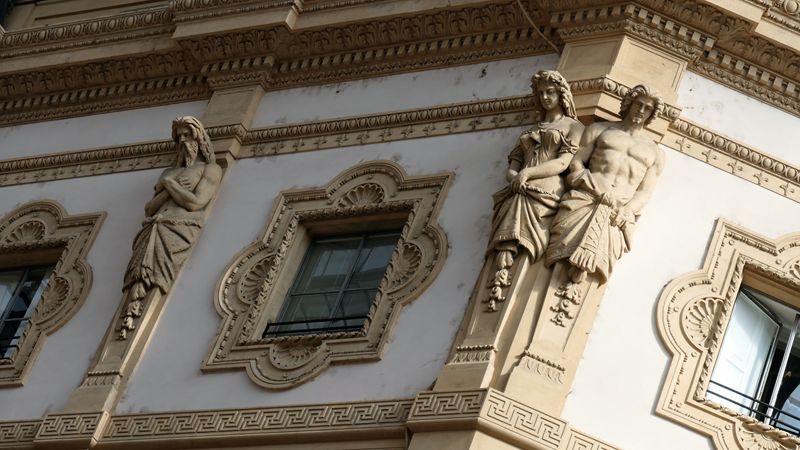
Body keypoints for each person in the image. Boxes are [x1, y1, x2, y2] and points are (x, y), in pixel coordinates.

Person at [545, 84, 664, 297]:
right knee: (560, 254)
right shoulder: (600, 130)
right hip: (585, 200)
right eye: (638, 104)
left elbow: (645, 191)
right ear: (629, 104)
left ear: (652, 114)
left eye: (648, 108)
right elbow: (577, 163)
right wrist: (591, 185)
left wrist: (627, 210)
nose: (641, 111)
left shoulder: (655, 152)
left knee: (594, 267)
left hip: (615, 215)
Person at [485, 70, 584, 310]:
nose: (545, 97)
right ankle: (498, 284)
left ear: (561, 95)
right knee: (506, 239)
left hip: (545, 190)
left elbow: (562, 163)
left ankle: (513, 296)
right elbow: (514, 164)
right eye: (541, 93)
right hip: (518, 189)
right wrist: (515, 178)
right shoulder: (530, 130)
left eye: (550, 92)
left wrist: (528, 174)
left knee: (531, 241)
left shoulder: (574, 127)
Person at [120, 116, 222, 338]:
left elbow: (195, 203)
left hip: (178, 230)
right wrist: (169, 185)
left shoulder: (211, 169)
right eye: (180, 136)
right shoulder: (167, 173)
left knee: (156, 278)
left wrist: (170, 187)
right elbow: (150, 209)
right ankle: (130, 316)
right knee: (139, 279)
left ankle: (136, 319)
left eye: (188, 135)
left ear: (199, 137)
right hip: (155, 226)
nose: (184, 141)